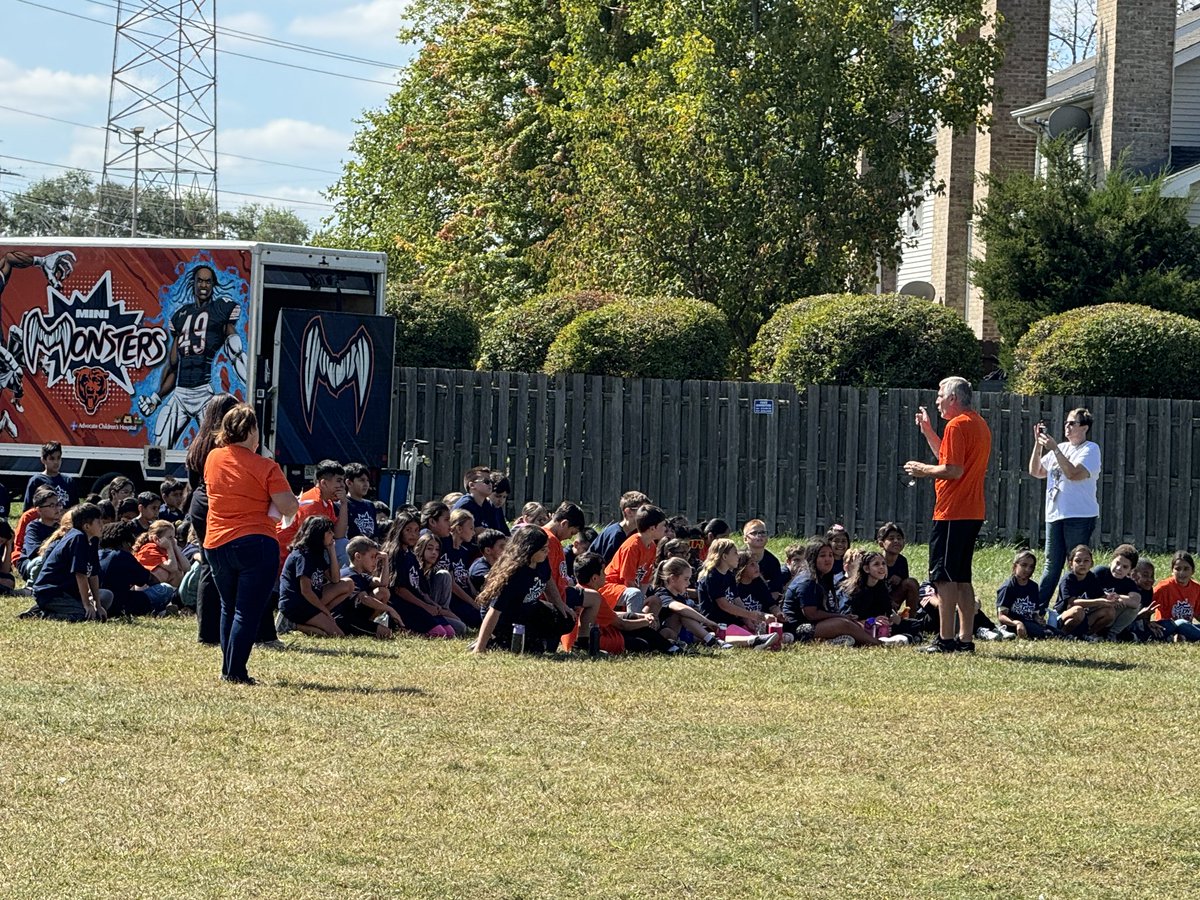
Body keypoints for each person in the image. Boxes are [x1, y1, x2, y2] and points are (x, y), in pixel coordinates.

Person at [203, 404, 299, 684]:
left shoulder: (213, 458)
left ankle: (227, 668)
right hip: (256, 541)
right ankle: (236, 672)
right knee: (247, 611)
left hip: (216, 542)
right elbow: (289, 505)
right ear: (252, 431)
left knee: (228, 607)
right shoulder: (267, 467)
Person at [904, 375, 992, 654]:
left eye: (940, 396)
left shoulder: (957, 425)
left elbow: (952, 470)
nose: (938, 402)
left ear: (953, 398)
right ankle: (965, 639)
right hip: (971, 511)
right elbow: (948, 458)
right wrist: (929, 431)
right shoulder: (977, 423)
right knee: (962, 578)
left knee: (943, 579)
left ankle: (946, 639)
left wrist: (922, 469)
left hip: (953, 512)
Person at [138, 263, 246, 448]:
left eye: (208, 282)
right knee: (160, 445)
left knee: (216, 448)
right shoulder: (180, 316)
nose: (204, 285)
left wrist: (249, 384)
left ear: (213, 285)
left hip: (204, 394)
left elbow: (235, 350)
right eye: (200, 281)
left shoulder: (220, 309)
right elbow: (173, 366)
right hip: (179, 394)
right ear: (193, 284)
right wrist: (156, 398)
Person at [1028, 407, 1101, 609]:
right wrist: (1038, 444)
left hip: (1079, 515)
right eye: (1066, 423)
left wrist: (1055, 450)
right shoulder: (1060, 448)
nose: (1067, 427)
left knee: (1076, 564)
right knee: (1051, 565)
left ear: (1084, 427)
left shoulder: (1090, 449)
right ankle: (1037, 609)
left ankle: (1069, 608)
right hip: (1055, 514)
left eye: (1072, 423)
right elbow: (1036, 471)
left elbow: (1073, 473)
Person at [184, 392, 240, 647]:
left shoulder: (198, 443)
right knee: (223, 566)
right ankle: (217, 628)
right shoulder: (223, 446)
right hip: (218, 503)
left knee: (208, 564)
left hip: (199, 502)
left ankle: (206, 631)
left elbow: (192, 481)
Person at [473, 525, 575, 654]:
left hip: (525, 608)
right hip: (504, 617)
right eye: (543, 549)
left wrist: (560, 605)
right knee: (530, 650)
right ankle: (492, 641)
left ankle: (534, 639)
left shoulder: (541, 561)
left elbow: (548, 580)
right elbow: (494, 612)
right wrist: (479, 649)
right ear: (530, 550)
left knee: (565, 619)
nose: (547, 551)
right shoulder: (514, 575)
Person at [782, 538, 889, 647]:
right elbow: (811, 614)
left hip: (816, 624)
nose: (828, 559)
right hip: (798, 628)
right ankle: (878, 644)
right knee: (844, 624)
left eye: (830, 555)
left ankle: (832, 641)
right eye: (822, 556)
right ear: (813, 558)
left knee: (849, 623)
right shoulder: (807, 581)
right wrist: (840, 617)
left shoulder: (823, 577)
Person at [30, 502, 112, 621]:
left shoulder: (93, 540)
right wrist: (87, 605)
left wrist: (97, 604)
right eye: (98, 522)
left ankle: (55, 608)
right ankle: (42, 614)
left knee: (106, 597)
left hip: (70, 592)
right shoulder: (78, 538)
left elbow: (93, 573)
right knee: (84, 616)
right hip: (52, 591)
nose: (102, 525)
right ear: (87, 526)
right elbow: (80, 574)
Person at [381, 512, 457, 638]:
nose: (413, 534)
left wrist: (431, 604)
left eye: (416, 530)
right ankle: (404, 630)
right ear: (399, 530)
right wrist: (425, 606)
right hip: (403, 604)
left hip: (418, 603)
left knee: (450, 632)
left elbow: (419, 588)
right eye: (408, 530)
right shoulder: (395, 554)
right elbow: (400, 590)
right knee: (439, 633)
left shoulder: (411, 555)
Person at [277, 515, 353, 638]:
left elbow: (335, 579)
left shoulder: (317, 553)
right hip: (298, 603)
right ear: (318, 534)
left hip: (311, 600)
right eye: (329, 532)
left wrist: (331, 549)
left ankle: (318, 619)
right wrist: (325, 611)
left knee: (348, 584)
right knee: (337, 635)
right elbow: (306, 591)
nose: (332, 534)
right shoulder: (303, 555)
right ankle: (291, 624)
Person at [277, 460, 348, 570]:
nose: (342, 486)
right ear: (324, 483)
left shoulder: (327, 502)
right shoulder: (312, 503)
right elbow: (309, 543)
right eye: (338, 481)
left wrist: (344, 504)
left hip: (301, 555)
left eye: (343, 481)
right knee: (342, 547)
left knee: (342, 544)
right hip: (285, 559)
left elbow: (339, 535)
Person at [837, 550, 918, 643]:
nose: (882, 567)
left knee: (914, 625)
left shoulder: (882, 588)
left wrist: (891, 620)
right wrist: (871, 621)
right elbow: (846, 617)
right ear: (866, 569)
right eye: (876, 564)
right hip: (856, 625)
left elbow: (888, 612)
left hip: (877, 625)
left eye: (883, 564)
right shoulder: (852, 590)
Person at [98, 520, 176, 617]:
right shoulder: (123, 556)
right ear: (124, 543)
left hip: (98, 601)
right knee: (165, 589)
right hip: (121, 605)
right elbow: (151, 580)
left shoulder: (97, 554)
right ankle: (158, 610)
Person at [650, 557, 728, 649]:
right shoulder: (661, 593)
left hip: (680, 633)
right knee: (681, 614)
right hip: (663, 634)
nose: (688, 583)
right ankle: (711, 641)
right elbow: (680, 609)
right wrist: (707, 622)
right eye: (686, 579)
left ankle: (712, 640)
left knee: (689, 618)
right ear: (673, 578)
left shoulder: (680, 597)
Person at [1055, 545, 1112, 639]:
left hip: (1084, 616)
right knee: (1078, 610)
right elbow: (1072, 603)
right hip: (1063, 616)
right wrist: (1101, 601)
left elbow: (1100, 595)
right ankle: (1061, 634)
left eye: (1086, 561)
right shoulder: (1067, 579)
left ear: (1091, 564)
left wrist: (1109, 597)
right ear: (1070, 564)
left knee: (1109, 611)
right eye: (1078, 561)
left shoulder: (1091, 577)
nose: (1082, 564)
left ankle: (1087, 634)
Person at [995, 550, 1051, 639]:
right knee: (1045, 634)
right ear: (1015, 566)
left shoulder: (1033, 587)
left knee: (1058, 633)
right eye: (1024, 565)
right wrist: (1016, 623)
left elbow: (1034, 612)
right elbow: (1001, 616)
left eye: (1031, 567)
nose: (1027, 569)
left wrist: (1038, 619)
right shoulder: (1008, 587)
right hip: (1014, 624)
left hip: (1030, 622)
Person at [1091, 544, 1143, 640]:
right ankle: (1091, 632)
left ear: (1130, 570)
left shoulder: (1128, 583)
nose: (1119, 569)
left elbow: (1136, 601)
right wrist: (1108, 598)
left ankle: (1112, 634)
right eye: (1117, 563)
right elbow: (1089, 589)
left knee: (1134, 608)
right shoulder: (1100, 572)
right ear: (1111, 561)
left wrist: (1117, 598)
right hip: (1093, 611)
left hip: (1111, 616)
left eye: (1125, 567)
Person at [1151, 551, 1200, 642]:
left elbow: (1198, 613)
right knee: (1181, 623)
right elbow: (1146, 604)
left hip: (1187, 628)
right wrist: (1148, 622)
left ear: (1193, 571)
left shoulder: (1196, 588)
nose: (1182, 573)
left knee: (1185, 625)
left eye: (1186, 569)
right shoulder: (1163, 587)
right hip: (1167, 626)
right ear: (1172, 571)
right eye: (1178, 569)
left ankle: (1182, 637)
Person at [591, 491, 651, 564]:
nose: (647, 514)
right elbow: (608, 566)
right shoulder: (615, 535)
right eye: (643, 510)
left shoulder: (637, 533)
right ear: (628, 512)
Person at [17, 488, 63, 581]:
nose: (57, 509)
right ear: (39, 510)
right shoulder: (33, 527)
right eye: (52, 505)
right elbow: (35, 553)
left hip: (54, 562)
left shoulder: (61, 527)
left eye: (58, 504)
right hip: (32, 562)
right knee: (41, 561)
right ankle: (31, 586)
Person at [875, 522, 920, 617]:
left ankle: (912, 620)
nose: (896, 541)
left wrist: (901, 581)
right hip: (875, 601)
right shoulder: (875, 561)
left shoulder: (902, 561)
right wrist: (888, 601)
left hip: (894, 601)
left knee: (911, 583)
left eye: (899, 538)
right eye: (891, 538)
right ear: (881, 543)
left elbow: (906, 586)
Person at [133, 519, 190, 589]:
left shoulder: (165, 548)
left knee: (178, 573)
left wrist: (175, 546)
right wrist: (169, 548)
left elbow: (187, 567)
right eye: (170, 537)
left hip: (159, 589)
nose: (174, 540)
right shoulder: (149, 549)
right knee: (164, 572)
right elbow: (172, 568)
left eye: (174, 537)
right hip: (144, 588)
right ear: (156, 539)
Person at [452, 467, 507, 534]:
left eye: (491, 482)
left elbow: (498, 530)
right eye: (486, 481)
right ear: (472, 485)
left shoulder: (487, 505)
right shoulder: (466, 505)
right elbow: (479, 532)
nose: (490, 484)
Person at [742, 519, 787, 601]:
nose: (759, 536)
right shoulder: (739, 559)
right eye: (754, 533)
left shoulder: (773, 562)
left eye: (763, 533)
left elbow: (775, 592)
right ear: (745, 539)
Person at [23, 441, 77, 509]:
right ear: (43, 460)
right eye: (52, 459)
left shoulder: (68, 481)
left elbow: (75, 509)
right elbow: (28, 508)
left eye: (58, 458)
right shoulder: (36, 481)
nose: (56, 462)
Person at [344, 463, 378, 540]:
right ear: (349, 483)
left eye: (367, 480)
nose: (366, 484)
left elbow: (375, 533)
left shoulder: (370, 505)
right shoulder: (342, 505)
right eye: (362, 480)